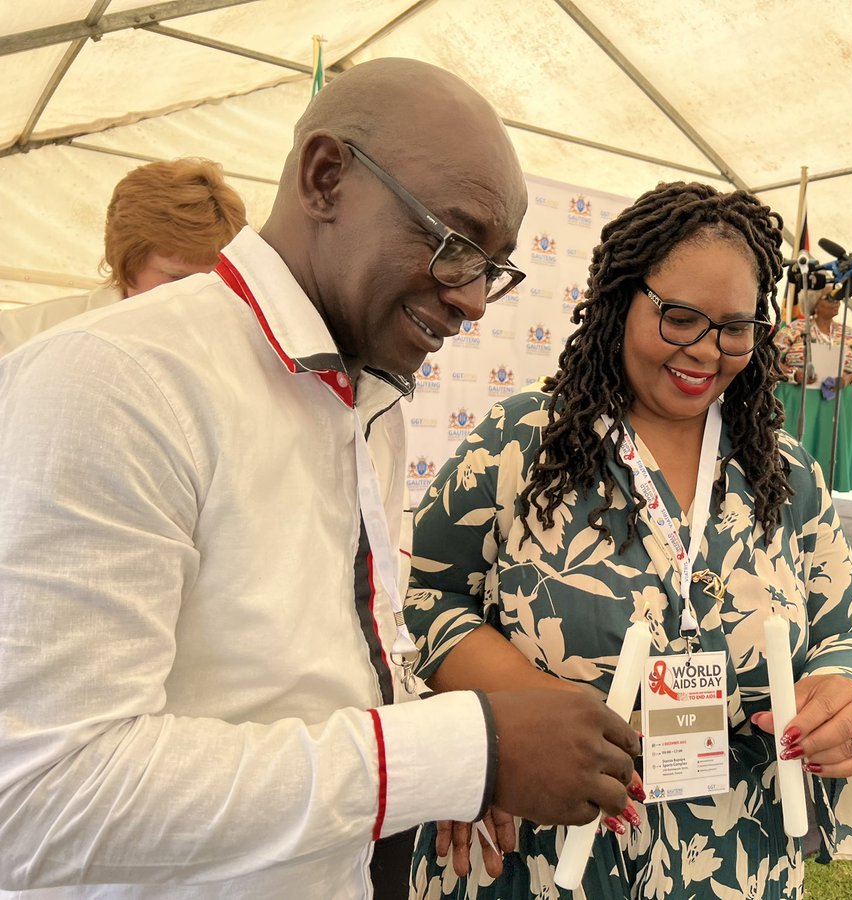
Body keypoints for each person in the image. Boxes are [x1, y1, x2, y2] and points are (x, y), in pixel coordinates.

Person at [0, 58, 640, 897]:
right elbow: (42, 803)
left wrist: (442, 764)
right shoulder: (116, 379)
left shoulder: (367, 397)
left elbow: (306, 678)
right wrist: (453, 749)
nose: (476, 300)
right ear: (326, 177)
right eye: (455, 244)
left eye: (495, 267)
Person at [403, 182, 852, 899]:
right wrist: (523, 726)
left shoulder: (785, 474)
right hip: (540, 849)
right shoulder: (522, 443)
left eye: (736, 326)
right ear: (621, 298)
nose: (706, 351)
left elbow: (848, 631)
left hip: (732, 857)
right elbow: (425, 598)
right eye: (680, 317)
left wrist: (845, 692)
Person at [0, 157, 247, 355]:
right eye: (177, 278)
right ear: (126, 262)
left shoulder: (235, 350)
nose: (198, 296)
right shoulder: (21, 339)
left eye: (213, 282)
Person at [773, 278, 852, 491]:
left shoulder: (850, 334)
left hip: (839, 406)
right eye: (829, 297)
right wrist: (794, 374)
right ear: (815, 302)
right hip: (799, 403)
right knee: (794, 460)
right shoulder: (794, 329)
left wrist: (848, 379)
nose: (836, 302)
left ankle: (823, 508)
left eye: (837, 298)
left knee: (829, 460)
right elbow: (772, 362)